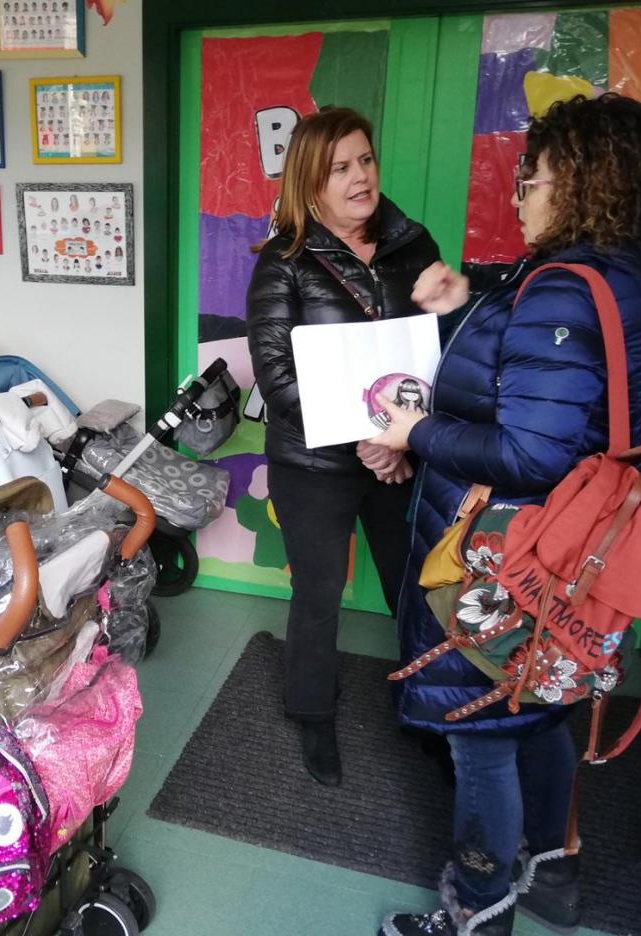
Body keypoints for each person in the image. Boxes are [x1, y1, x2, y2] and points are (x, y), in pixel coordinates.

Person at [370, 94, 641, 936]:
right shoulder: (627, 274)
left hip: (514, 556)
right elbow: (548, 367)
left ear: (584, 185)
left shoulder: (565, 291)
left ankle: (477, 912)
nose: (519, 194)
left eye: (534, 178)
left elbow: (531, 452)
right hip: (574, 552)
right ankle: (554, 873)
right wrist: (468, 295)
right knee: (540, 710)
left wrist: (416, 433)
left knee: (481, 738)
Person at [245, 106, 440, 786]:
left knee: (415, 589)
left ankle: (430, 709)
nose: (360, 177)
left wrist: (405, 438)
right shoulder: (284, 261)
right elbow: (277, 376)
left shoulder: (413, 245)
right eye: (339, 168)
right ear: (310, 181)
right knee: (318, 593)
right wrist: (368, 436)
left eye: (365, 160)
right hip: (312, 464)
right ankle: (313, 714)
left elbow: (439, 350)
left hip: (401, 457)